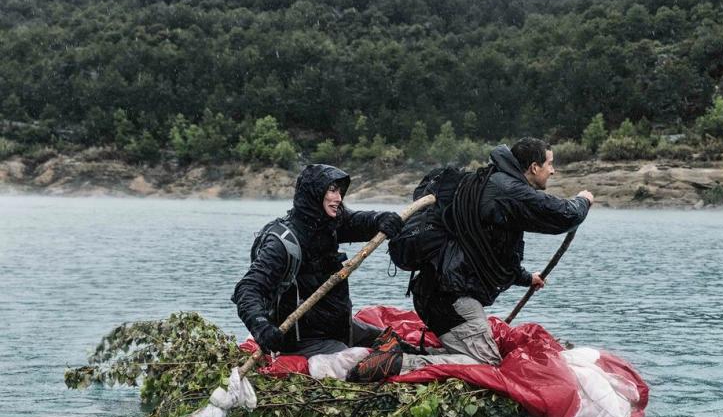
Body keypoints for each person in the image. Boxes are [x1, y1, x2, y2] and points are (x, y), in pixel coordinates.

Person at [348, 138, 594, 381]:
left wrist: (527, 278)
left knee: (466, 353)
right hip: (452, 296)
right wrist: (584, 200)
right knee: (486, 364)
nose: (553, 170)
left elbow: (493, 253)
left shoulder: (489, 184)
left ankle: (399, 351)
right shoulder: (508, 190)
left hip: (436, 292)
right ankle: (399, 363)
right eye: (550, 163)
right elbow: (564, 215)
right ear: (533, 167)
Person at [232, 164, 404, 357]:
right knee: (370, 362)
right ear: (314, 193)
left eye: (340, 191)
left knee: (398, 345)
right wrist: (261, 327)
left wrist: (381, 219)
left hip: (338, 328)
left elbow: (358, 222)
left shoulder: (328, 223)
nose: (338, 198)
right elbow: (247, 289)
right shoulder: (283, 243)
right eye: (331, 190)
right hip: (303, 341)